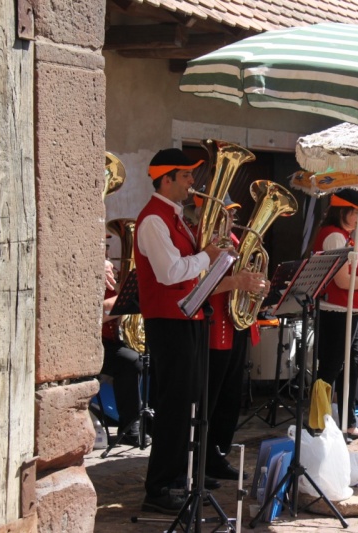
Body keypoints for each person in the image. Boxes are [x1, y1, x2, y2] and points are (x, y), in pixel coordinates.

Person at [134, 148, 223, 514]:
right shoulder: (154, 220)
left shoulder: (175, 217)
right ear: (166, 178)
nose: (192, 182)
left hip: (187, 318)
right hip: (168, 321)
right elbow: (170, 272)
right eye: (186, 175)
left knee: (185, 403)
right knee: (172, 405)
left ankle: (177, 478)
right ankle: (159, 487)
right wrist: (208, 257)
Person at [313, 189, 358, 440]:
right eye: (355, 212)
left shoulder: (348, 237)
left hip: (352, 310)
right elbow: (343, 281)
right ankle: (319, 421)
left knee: (352, 365)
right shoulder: (334, 237)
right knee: (332, 366)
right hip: (335, 310)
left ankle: (348, 420)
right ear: (342, 211)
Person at [202, 201, 268, 480]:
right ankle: (202, 459)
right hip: (214, 324)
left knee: (231, 396)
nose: (231, 219)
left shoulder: (237, 241)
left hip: (238, 322)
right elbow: (200, 283)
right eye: (225, 214)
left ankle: (218, 455)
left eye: (232, 214)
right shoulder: (204, 241)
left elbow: (251, 277)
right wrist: (238, 282)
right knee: (212, 397)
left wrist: (259, 286)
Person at [101, 257, 147, 446]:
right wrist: (126, 298)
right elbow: (100, 312)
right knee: (129, 361)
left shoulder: (108, 276)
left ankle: (130, 426)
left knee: (134, 360)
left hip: (109, 342)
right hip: (89, 342)